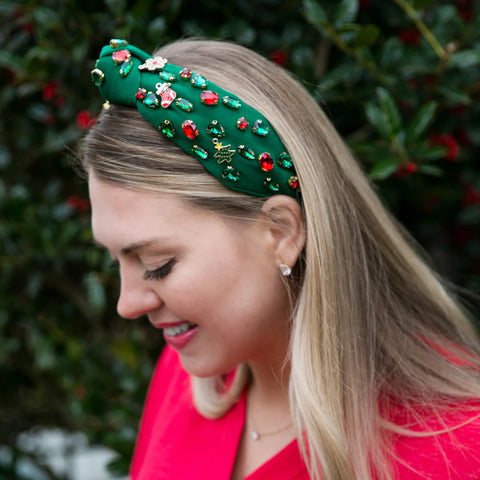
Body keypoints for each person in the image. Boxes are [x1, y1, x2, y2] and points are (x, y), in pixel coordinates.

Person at [80, 38, 480, 480]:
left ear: (281, 232)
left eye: (158, 263)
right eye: (116, 260)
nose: (127, 304)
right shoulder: (191, 378)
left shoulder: (453, 451)